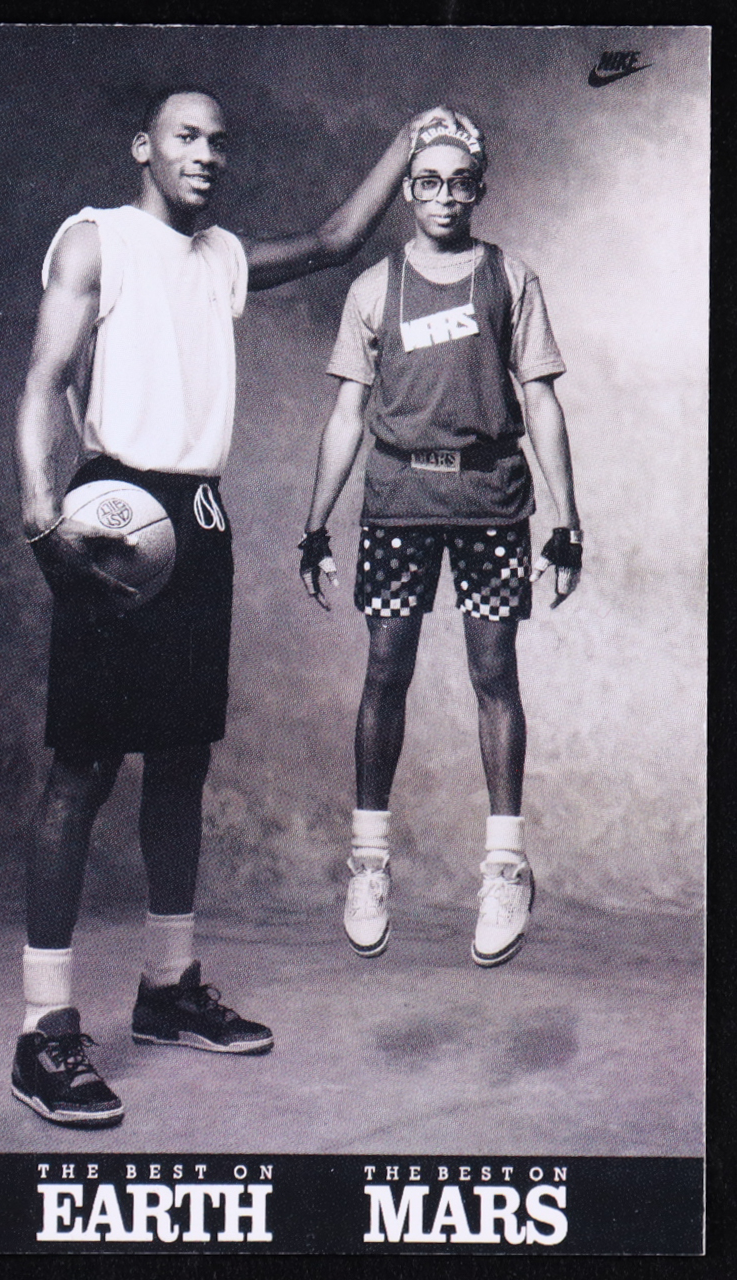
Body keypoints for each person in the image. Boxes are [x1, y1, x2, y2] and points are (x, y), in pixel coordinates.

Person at [12, 87, 457, 1127]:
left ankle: (168, 988)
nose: (206, 154)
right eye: (186, 136)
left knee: (181, 761)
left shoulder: (220, 260)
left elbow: (337, 240)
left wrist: (410, 138)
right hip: (114, 508)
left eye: (218, 141)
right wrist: (40, 520)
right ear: (144, 147)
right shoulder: (96, 239)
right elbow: (41, 379)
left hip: (200, 518)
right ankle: (42, 1030)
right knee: (81, 770)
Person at [299, 115, 582, 968]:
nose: (445, 196)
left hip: (491, 498)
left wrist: (568, 521)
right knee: (386, 671)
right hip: (399, 501)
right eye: (429, 181)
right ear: (409, 191)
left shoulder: (509, 277)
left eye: (461, 182)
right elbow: (347, 414)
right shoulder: (373, 287)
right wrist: (314, 524)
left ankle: (506, 867)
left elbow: (541, 401)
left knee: (494, 675)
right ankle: (369, 863)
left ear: (480, 188)